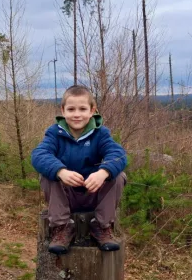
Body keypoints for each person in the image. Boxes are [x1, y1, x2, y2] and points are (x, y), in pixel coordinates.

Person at [31, 85, 127, 255]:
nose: (77, 114)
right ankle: (62, 227)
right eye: (71, 109)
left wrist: (103, 172)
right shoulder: (54, 133)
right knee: (48, 174)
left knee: (118, 176)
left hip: (94, 194)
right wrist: (60, 171)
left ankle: (101, 226)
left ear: (92, 111)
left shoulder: (101, 133)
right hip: (65, 198)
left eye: (82, 109)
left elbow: (118, 155)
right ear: (63, 111)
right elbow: (39, 155)